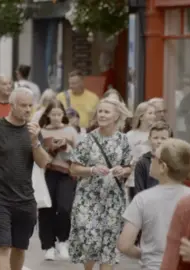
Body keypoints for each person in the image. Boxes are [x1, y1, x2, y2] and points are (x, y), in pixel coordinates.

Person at [0, 87, 51, 270]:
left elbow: (44, 162)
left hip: (25, 199)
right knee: (2, 246)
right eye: (23, 105)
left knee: (19, 248)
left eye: (30, 106)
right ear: (12, 105)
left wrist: (35, 140)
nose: (28, 110)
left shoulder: (33, 131)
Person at [68, 98, 133, 270]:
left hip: (113, 198)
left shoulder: (123, 140)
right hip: (87, 198)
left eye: (106, 112)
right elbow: (73, 169)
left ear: (116, 115)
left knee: (109, 247)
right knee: (89, 240)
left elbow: (129, 167)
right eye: (100, 111)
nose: (102, 115)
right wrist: (91, 170)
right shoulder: (87, 139)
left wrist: (122, 170)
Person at [118, 138, 190, 270]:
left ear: (163, 167)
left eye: (154, 156)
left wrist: (146, 255)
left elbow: (124, 245)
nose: (150, 159)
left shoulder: (143, 199)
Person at [37, 99, 77, 261]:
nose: (56, 117)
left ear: (63, 115)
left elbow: (80, 153)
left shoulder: (71, 131)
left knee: (65, 207)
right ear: (47, 115)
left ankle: (63, 240)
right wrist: (50, 148)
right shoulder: (42, 131)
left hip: (67, 173)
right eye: (53, 114)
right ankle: (48, 245)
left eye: (59, 114)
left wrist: (65, 146)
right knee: (47, 208)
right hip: (48, 172)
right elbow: (37, 152)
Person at [134, 122, 174, 194]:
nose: (159, 141)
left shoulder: (173, 162)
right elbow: (139, 191)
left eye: (163, 138)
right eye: (155, 138)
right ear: (149, 139)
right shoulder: (142, 163)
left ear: (170, 139)